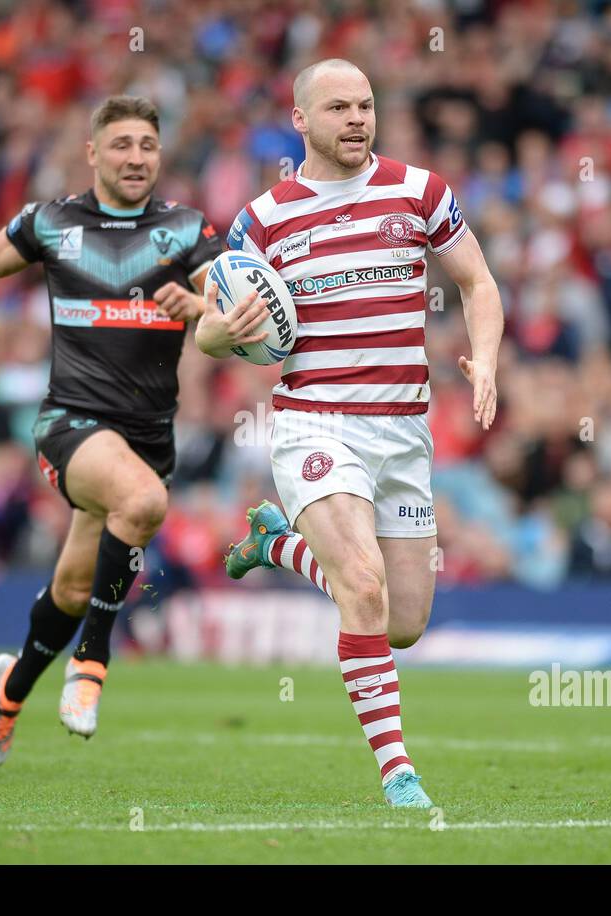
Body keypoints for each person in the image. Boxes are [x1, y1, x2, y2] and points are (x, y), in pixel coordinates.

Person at [195, 60, 504, 808]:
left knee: (402, 622)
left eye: (366, 105)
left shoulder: (420, 191)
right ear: (300, 120)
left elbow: (478, 282)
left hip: (404, 430)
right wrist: (227, 334)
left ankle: (275, 545)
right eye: (338, 107)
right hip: (315, 423)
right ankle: (400, 773)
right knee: (360, 588)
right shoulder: (264, 218)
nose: (358, 118)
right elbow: (205, 328)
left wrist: (486, 359)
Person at [0, 95, 235, 767]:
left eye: (147, 147)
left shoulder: (188, 231)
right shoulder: (50, 222)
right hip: (69, 423)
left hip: (148, 440)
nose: (135, 158)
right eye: (122, 145)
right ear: (93, 152)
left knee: (74, 589)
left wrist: (200, 308)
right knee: (142, 503)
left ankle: (7, 697)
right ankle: (93, 663)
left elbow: (227, 326)